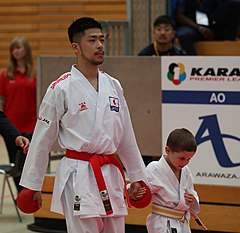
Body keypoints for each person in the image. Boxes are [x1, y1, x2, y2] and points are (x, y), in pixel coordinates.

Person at [19, 17, 148, 233]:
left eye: (101, 40)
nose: (99, 45)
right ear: (75, 47)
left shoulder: (114, 85)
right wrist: (33, 184)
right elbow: (42, 139)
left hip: (111, 174)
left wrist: (137, 176)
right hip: (78, 174)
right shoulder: (60, 88)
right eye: (92, 40)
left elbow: (126, 136)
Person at [145, 128, 206, 233]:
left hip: (182, 222)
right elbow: (141, 193)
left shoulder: (185, 171)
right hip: (162, 222)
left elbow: (191, 191)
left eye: (189, 159)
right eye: (182, 158)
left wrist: (192, 199)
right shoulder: (154, 169)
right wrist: (135, 192)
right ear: (168, 150)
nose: (185, 162)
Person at [0, 36, 37, 192]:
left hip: (32, 125)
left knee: (30, 164)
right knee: (15, 165)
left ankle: (30, 195)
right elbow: (1, 100)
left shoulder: (34, 73)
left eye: (19, 47)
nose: (16, 51)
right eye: (13, 49)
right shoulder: (6, 75)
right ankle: (20, 196)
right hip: (11, 126)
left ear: (26, 50)